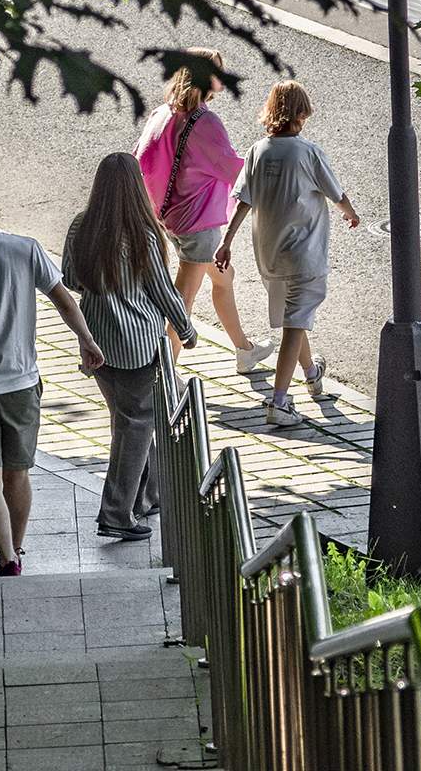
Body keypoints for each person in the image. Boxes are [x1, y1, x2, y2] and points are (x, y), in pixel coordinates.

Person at [0, 169, 105, 577]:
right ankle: (17, 544)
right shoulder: (25, 248)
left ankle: (7, 557)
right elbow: (64, 300)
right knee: (19, 472)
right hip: (22, 381)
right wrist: (86, 340)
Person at [63, 152, 197, 543]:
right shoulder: (143, 231)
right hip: (139, 343)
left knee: (128, 419)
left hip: (98, 343)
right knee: (136, 424)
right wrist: (186, 330)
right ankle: (117, 511)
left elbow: (71, 278)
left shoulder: (80, 226)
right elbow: (161, 290)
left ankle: (150, 494)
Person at [216, 81, 359, 427]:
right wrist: (350, 212)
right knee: (295, 323)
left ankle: (311, 373)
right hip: (303, 253)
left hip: (269, 256)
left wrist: (227, 241)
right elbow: (335, 191)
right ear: (299, 114)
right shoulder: (307, 152)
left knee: (295, 316)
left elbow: (243, 201)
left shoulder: (257, 150)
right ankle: (279, 402)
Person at [134, 47, 275, 373]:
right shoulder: (205, 122)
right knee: (182, 302)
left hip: (169, 218)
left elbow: (141, 162)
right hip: (198, 224)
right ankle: (163, 378)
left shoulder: (162, 114)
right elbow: (232, 169)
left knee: (225, 279)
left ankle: (244, 350)